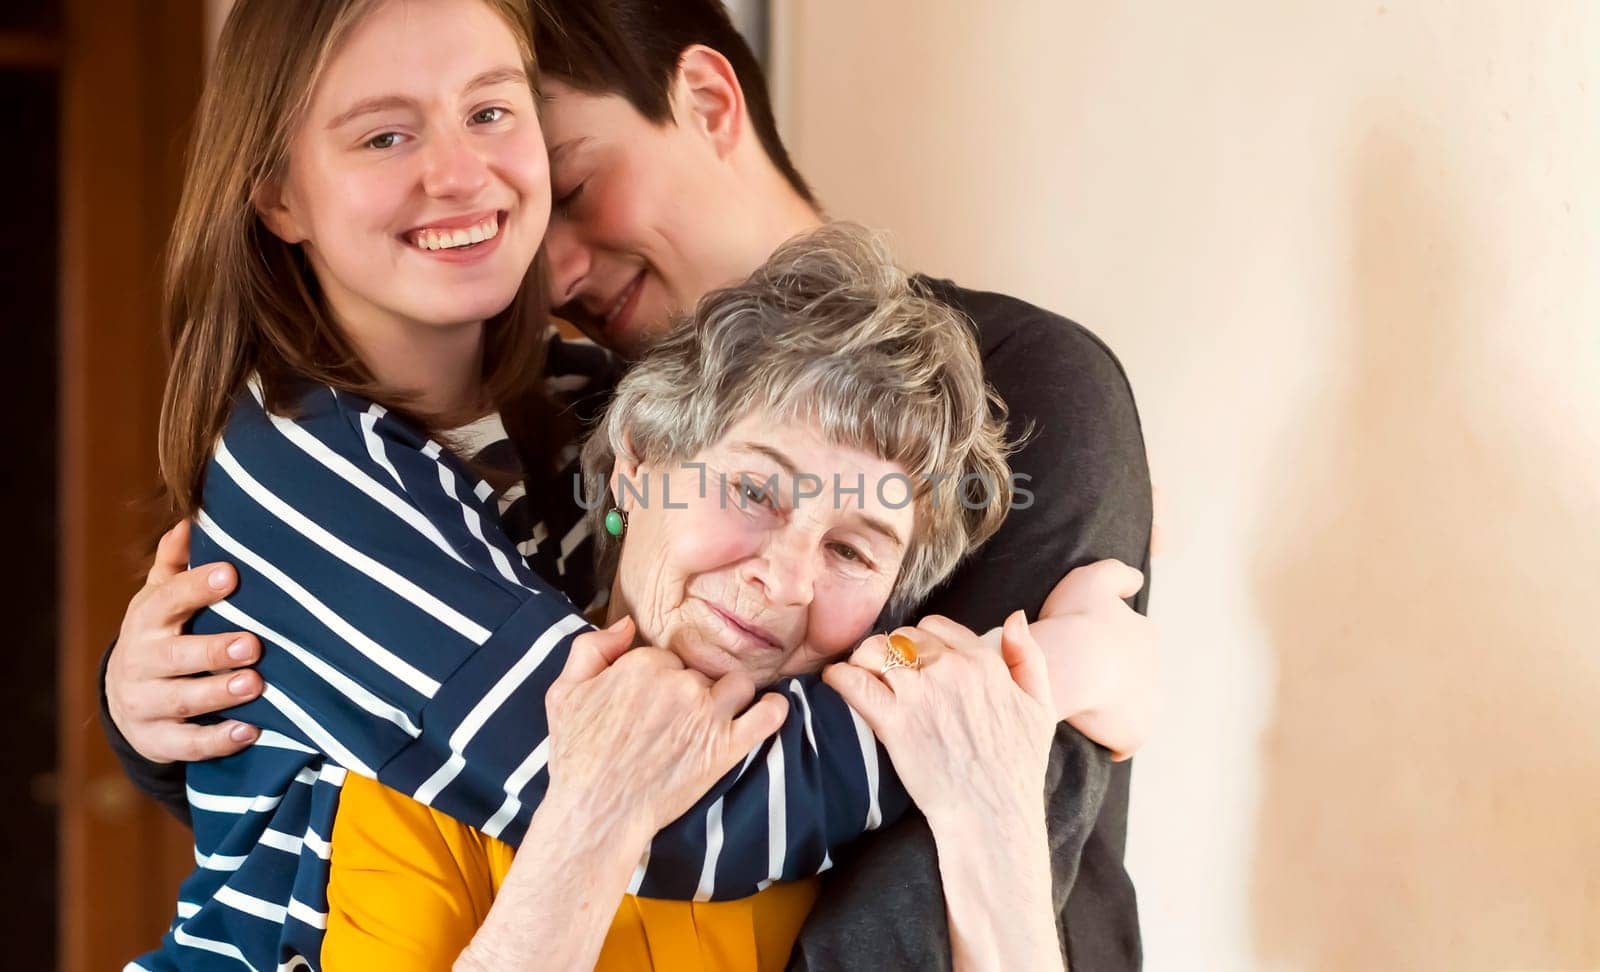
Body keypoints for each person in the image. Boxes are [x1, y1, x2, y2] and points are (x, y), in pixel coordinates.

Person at [113, 1, 1153, 969]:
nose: (546, 260)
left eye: (498, 121)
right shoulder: (315, 461)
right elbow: (653, 796)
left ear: (707, 102)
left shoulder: (586, 399)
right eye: (386, 135)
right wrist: (1048, 670)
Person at [324, 223, 1078, 970]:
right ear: (638, 466)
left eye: (850, 549)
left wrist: (995, 822)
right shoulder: (419, 778)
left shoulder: (898, 784)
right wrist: (593, 819)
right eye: (752, 490)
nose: (783, 579)